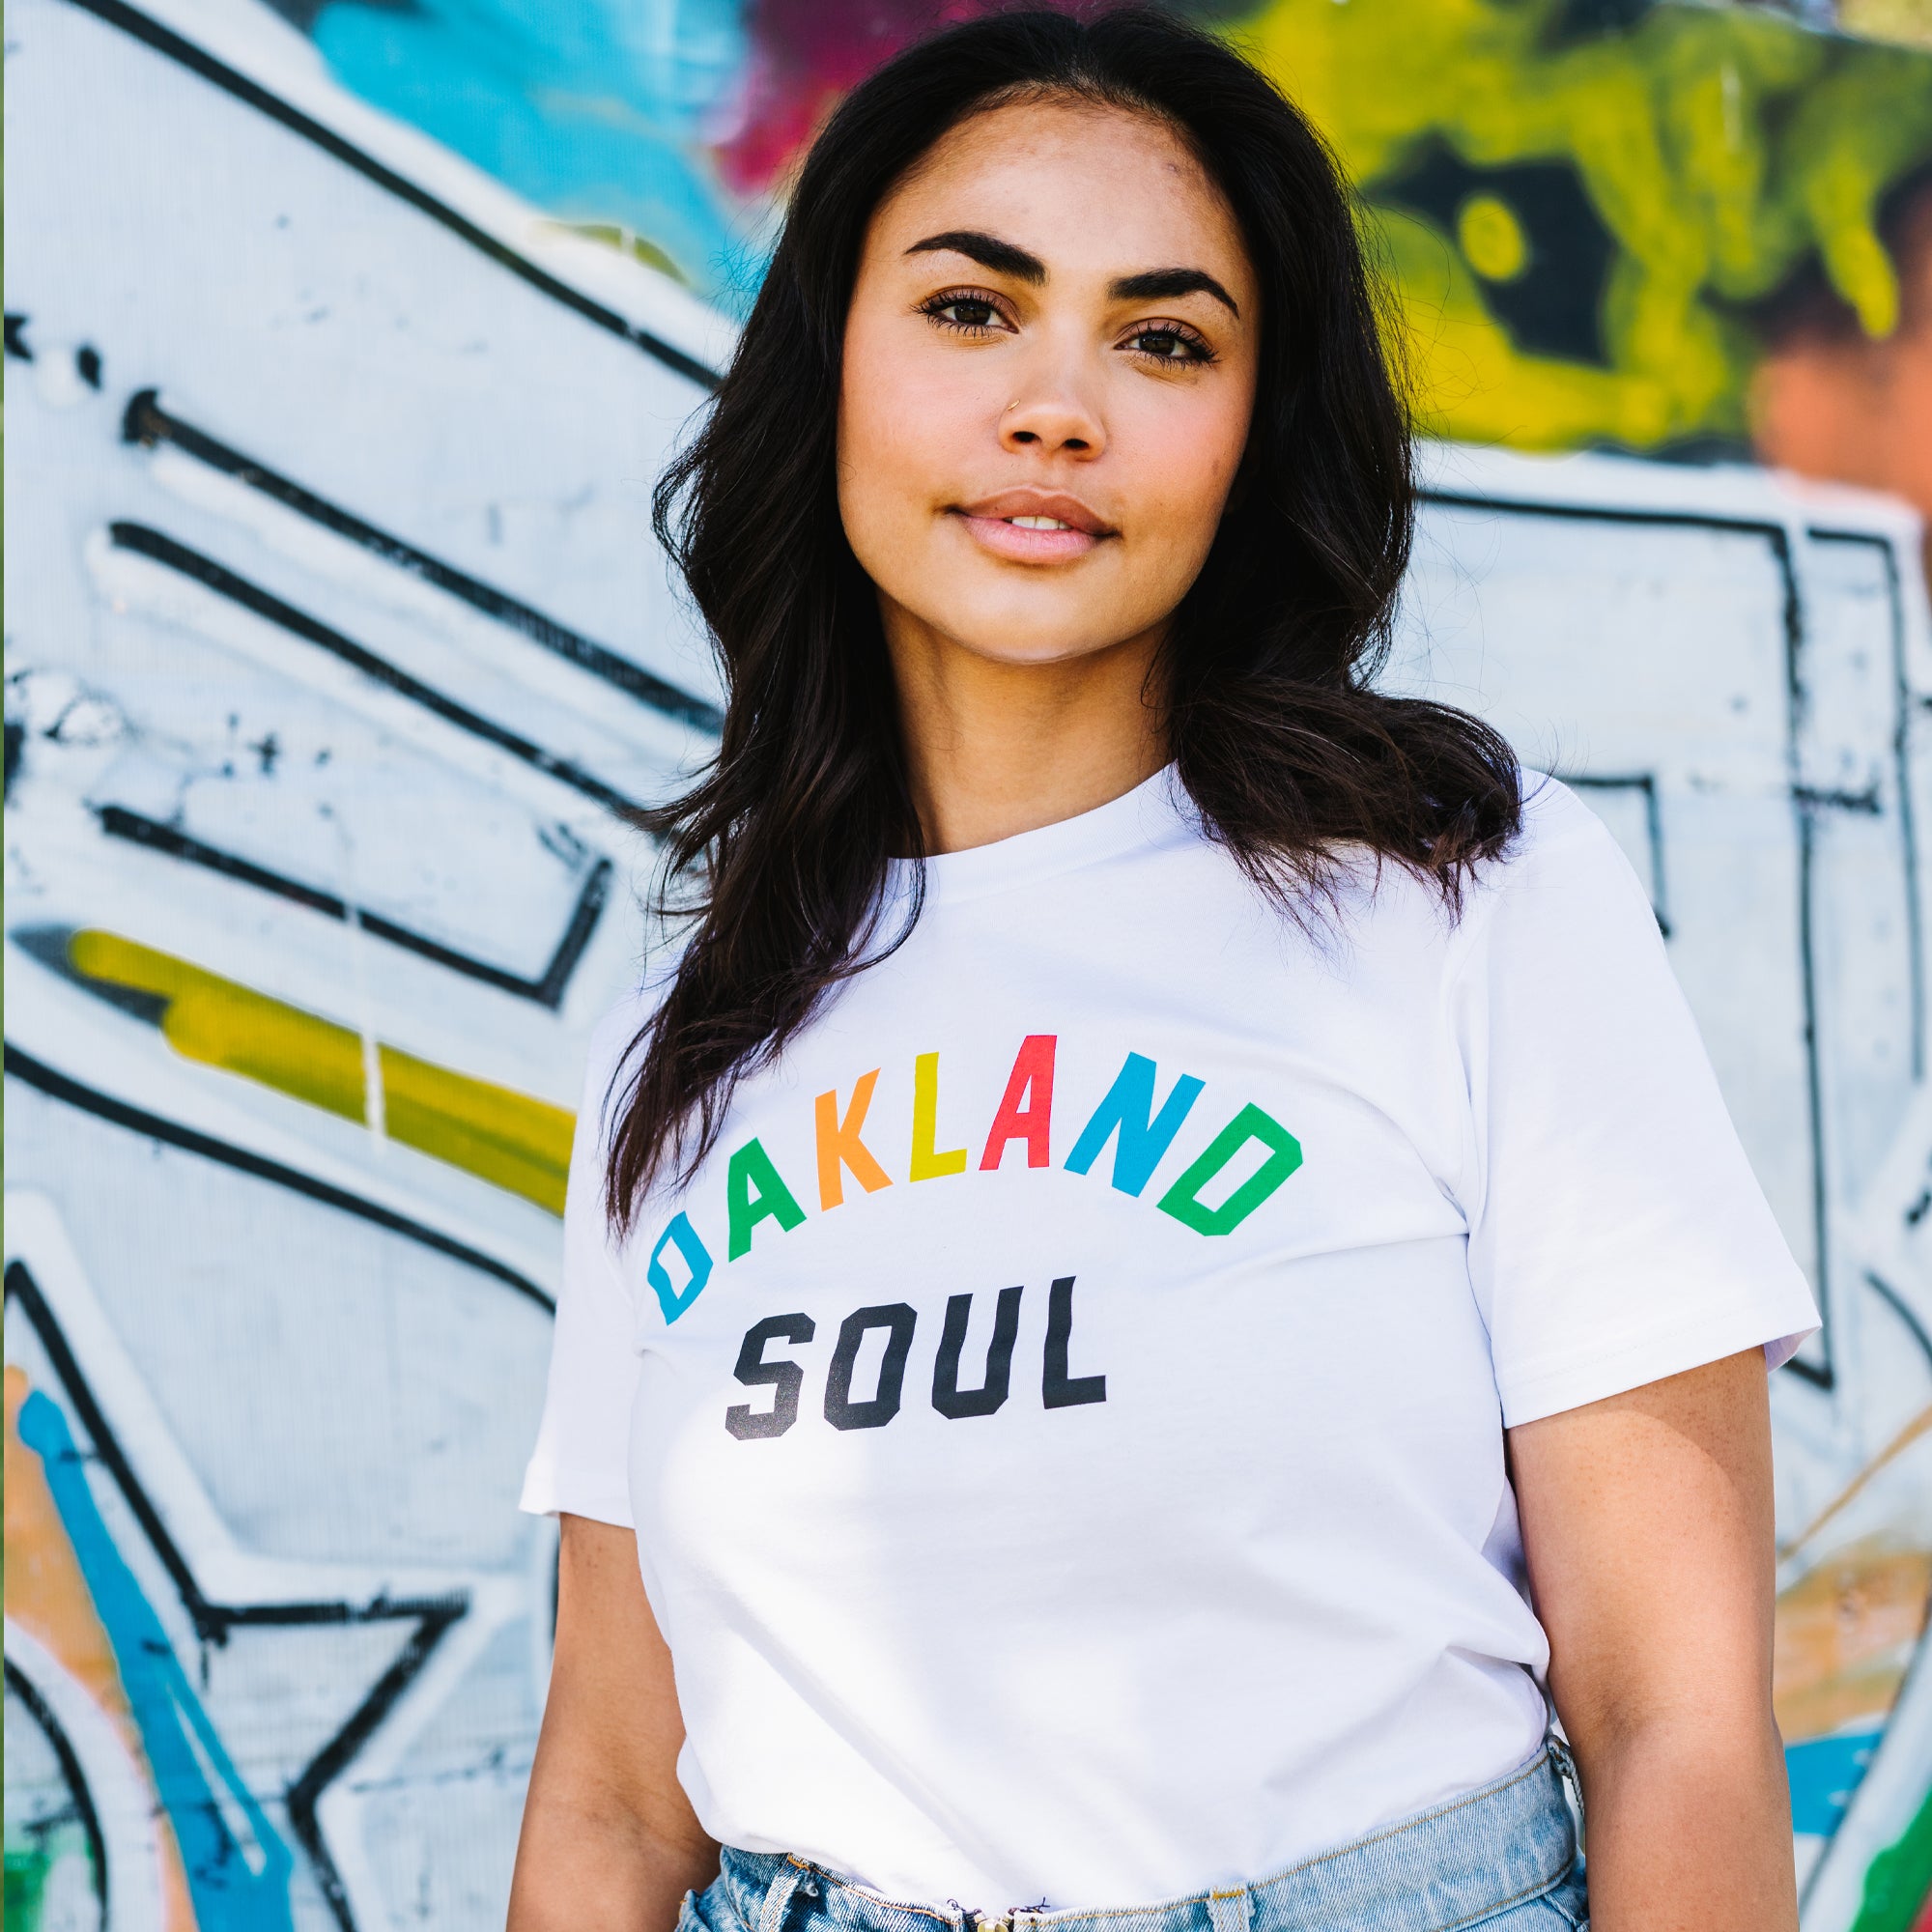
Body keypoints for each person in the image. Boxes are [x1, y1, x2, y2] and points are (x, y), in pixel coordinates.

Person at [508, 12, 1817, 1931]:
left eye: (1163, 338)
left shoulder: (1462, 901)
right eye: (972, 311)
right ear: (834, 376)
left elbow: (1677, 1721)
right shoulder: (690, 1037)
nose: (1058, 404)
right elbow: (618, 1798)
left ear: (1245, 433)